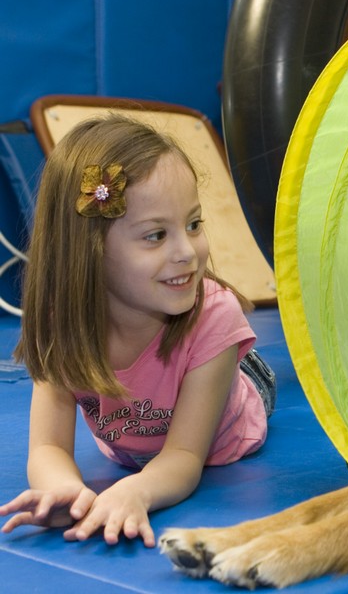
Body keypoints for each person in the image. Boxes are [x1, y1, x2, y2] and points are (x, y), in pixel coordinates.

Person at [0, 115, 275, 548]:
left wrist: (136, 490)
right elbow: (47, 448)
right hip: (155, 408)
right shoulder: (62, 324)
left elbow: (184, 457)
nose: (187, 252)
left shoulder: (212, 320)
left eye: (194, 224)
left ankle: (244, 360)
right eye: (155, 236)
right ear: (89, 250)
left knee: (234, 349)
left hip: (230, 401)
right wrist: (64, 490)